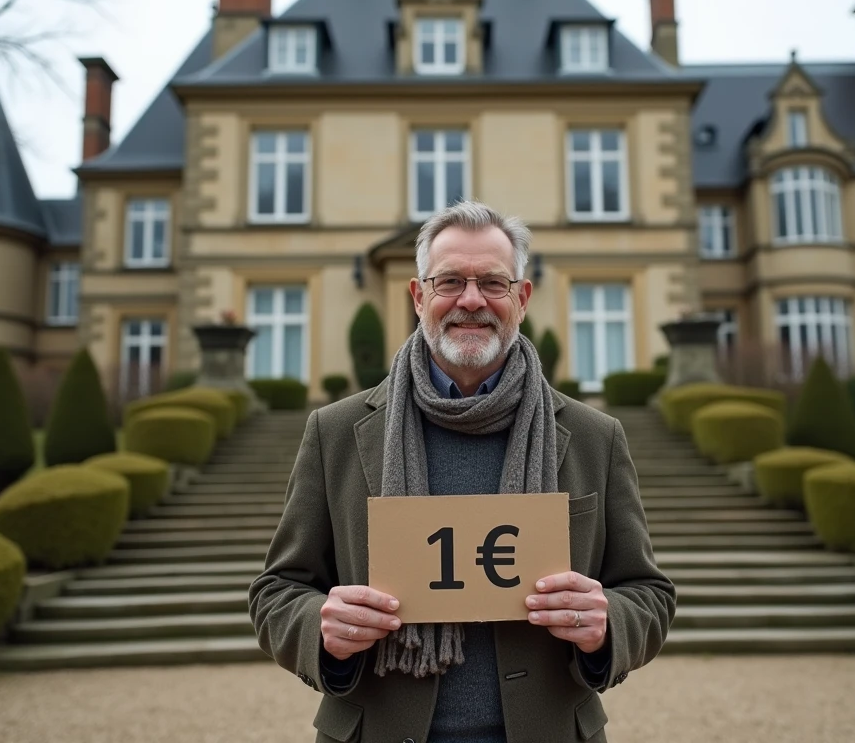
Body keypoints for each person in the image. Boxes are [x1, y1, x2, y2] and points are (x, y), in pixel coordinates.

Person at [248, 201, 676, 743]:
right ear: (418, 295)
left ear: (520, 299)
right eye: (449, 280)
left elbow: (649, 592)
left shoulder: (596, 437)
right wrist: (320, 627)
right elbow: (277, 590)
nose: (471, 300)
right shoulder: (335, 432)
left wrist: (609, 620)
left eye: (493, 283)